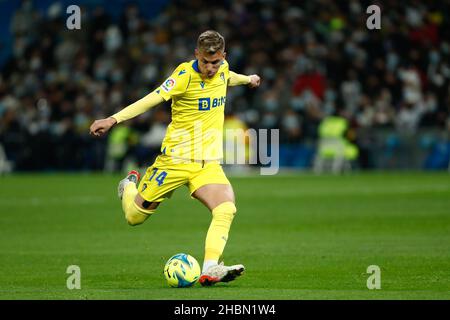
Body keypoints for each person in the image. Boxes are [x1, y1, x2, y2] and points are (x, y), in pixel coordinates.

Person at [89, 30, 261, 286]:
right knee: (134, 218)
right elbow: (150, 99)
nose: (211, 68)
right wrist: (113, 119)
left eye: (215, 62)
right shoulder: (183, 76)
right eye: (205, 62)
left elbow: (229, 77)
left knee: (226, 209)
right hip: (174, 160)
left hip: (207, 164)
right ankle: (128, 186)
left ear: (223, 56)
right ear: (196, 55)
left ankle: (211, 268)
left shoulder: (223, 69)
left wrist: (249, 79)